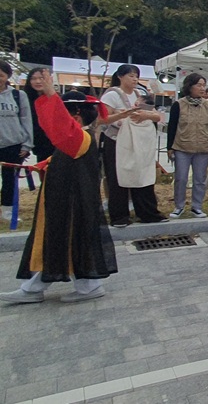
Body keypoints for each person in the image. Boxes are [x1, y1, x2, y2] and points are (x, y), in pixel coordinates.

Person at [0, 74, 116, 304]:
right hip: (65, 199)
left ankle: (56, 287)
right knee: (60, 241)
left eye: (63, 111)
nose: (57, 118)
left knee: (64, 240)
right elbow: (59, 149)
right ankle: (43, 287)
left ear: (76, 114)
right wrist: (40, 165)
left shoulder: (79, 136)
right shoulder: (77, 137)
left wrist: (51, 95)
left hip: (71, 202)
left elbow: (61, 129)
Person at [99, 64, 166, 228]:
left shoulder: (140, 94)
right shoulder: (112, 95)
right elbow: (102, 119)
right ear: (120, 77)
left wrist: (145, 114)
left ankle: (147, 213)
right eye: (131, 75)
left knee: (142, 175)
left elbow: (157, 116)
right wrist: (124, 114)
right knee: (118, 177)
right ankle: (119, 216)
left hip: (138, 142)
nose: (135, 79)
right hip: (116, 141)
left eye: (136, 76)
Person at [166, 73, 208, 218]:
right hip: (182, 145)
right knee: (181, 178)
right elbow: (172, 126)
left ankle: (197, 206)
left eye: (204, 85)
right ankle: (179, 206)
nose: (202, 88)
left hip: (203, 147)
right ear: (190, 86)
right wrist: (170, 147)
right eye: (199, 85)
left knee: (200, 179)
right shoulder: (179, 104)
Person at [0, 61, 33, 221]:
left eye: (1, 75)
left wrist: (27, 144)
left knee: (10, 180)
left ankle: (8, 211)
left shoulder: (18, 95)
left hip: (13, 145)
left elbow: (26, 120)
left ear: (7, 76)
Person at [25, 68, 55, 174]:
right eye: (33, 78)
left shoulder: (54, 98)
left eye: (41, 78)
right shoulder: (25, 99)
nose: (38, 82)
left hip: (55, 142)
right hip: (39, 143)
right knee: (43, 173)